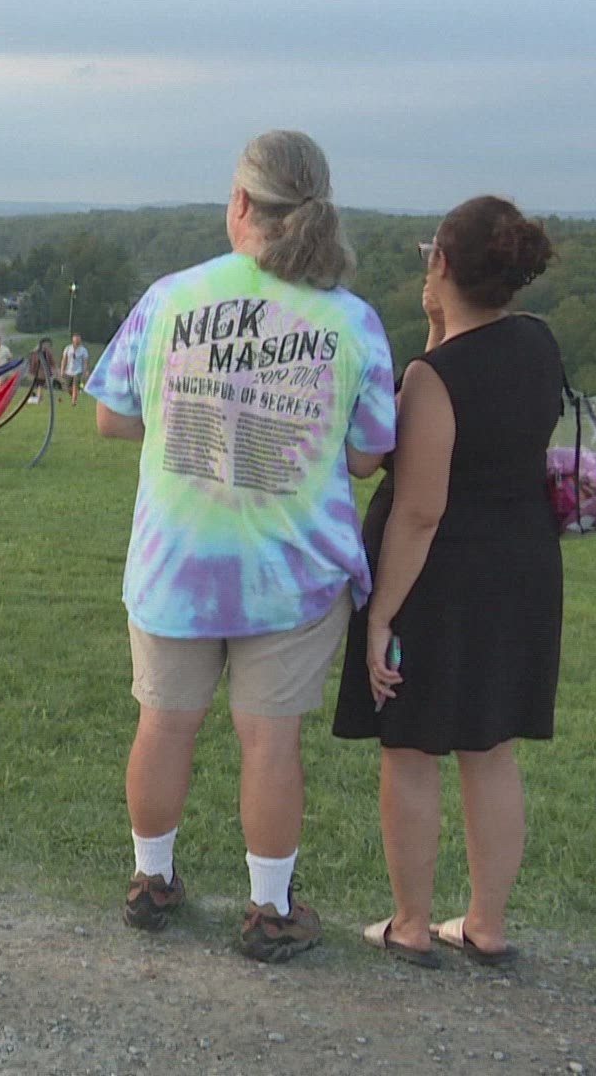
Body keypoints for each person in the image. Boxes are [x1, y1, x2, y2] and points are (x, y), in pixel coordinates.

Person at [85, 130, 397, 963]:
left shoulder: (171, 298)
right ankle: (268, 908)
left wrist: (192, 414)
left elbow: (111, 415)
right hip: (291, 573)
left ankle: (152, 881)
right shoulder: (352, 322)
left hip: (178, 562)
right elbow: (368, 454)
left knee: (164, 724)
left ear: (239, 205)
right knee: (270, 741)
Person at [334, 197, 561, 970]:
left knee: (411, 746)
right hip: (522, 569)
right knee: (491, 747)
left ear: (440, 264)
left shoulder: (433, 379)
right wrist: (436, 330)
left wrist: (380, 617)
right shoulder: (537, 342)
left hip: (443, 581)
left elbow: (421, 509)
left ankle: (410, 923)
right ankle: (486, 925)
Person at [61, 334, 91, 405]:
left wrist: (86, 371)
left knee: (75, 385)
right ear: (73, 341)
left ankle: (74, 402)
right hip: (68, 371)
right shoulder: (68, 348)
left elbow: (86, 361)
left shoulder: (83, 350)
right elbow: (64, 360)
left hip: (78, 371)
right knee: (67, 388)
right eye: (76, 340)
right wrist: (62, 370)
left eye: (78, 341)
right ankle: (76, 394)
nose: (77, 342)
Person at [25, 337, 54, 403]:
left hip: (39, 371)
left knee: (39, 385)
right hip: (39, 371)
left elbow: (51, 362)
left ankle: (38, 399)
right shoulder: (40, 352)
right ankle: (38, 399)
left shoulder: (44, 352)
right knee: (39, 385)